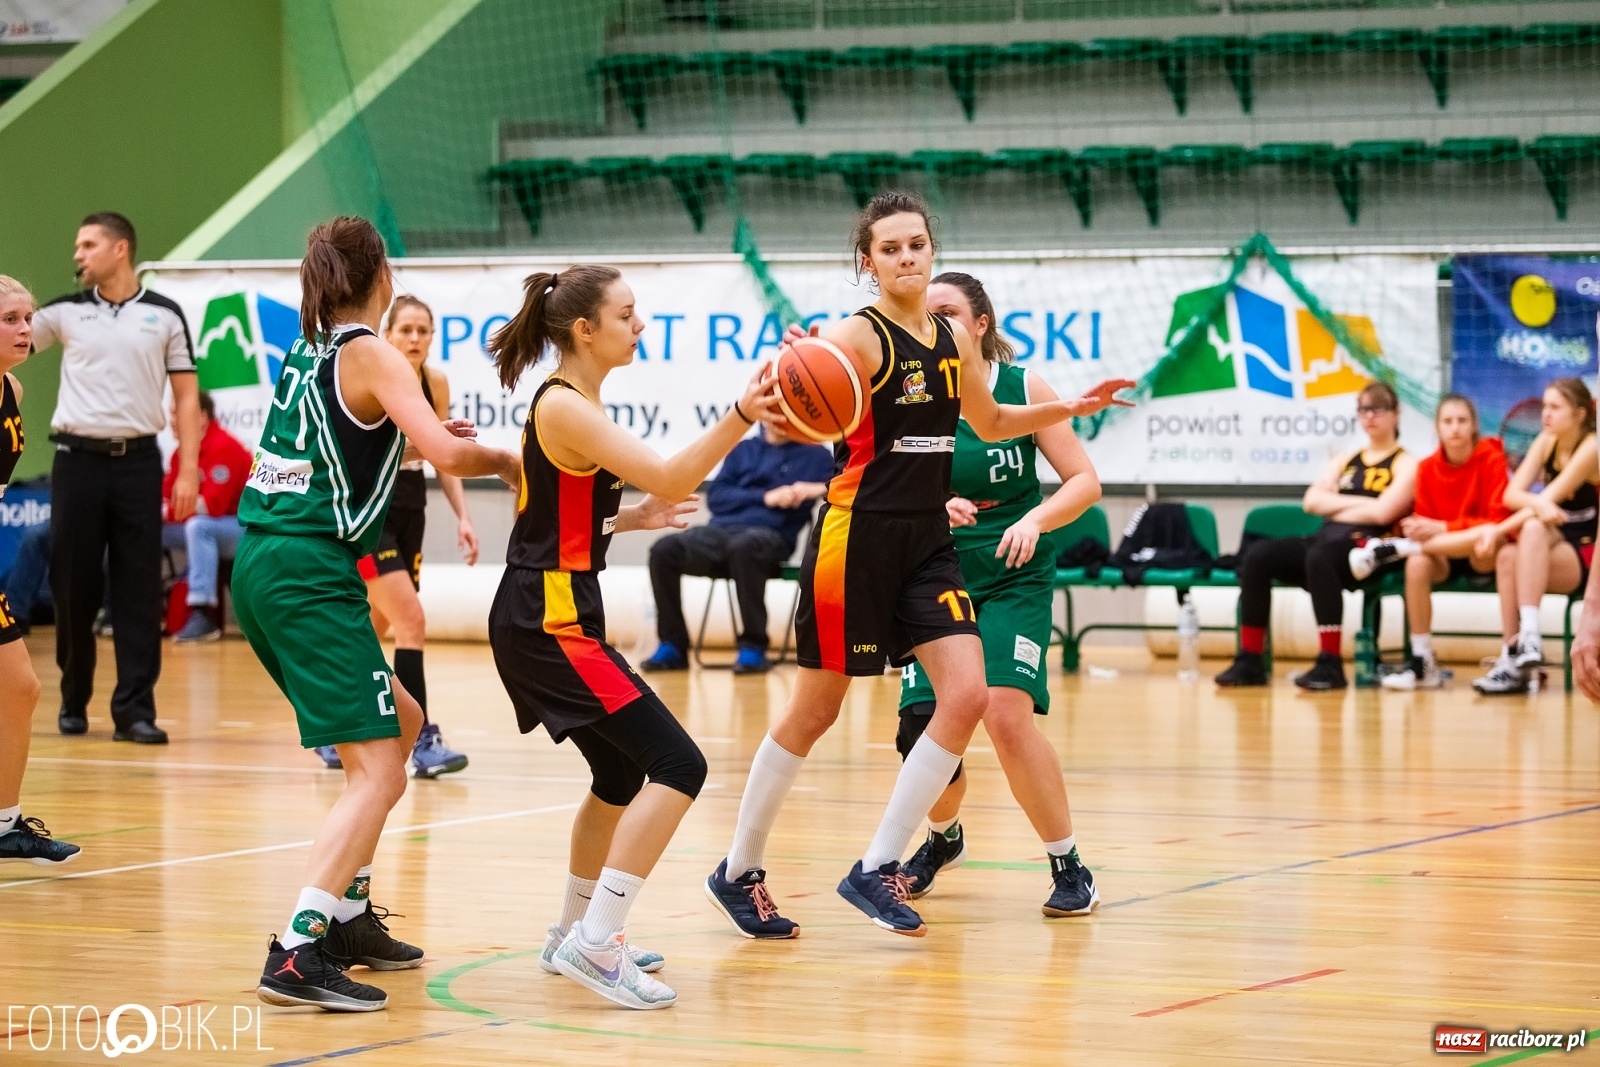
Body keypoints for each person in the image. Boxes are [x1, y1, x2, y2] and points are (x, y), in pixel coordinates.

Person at [705, 190, 1133, 940]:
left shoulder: (950, 338)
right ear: (867, 262)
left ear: (931, 249)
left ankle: (875, 865)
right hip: (856, 537)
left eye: (917, 244)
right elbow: (789, 405)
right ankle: (739, 869)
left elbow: (991, 421)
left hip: (927, 544)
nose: (907, 256)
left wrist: (1068, 406)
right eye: (891, 247)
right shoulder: (855, 338)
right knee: (816, 710)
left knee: (969, 695)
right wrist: (783, 387)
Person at [239, 217, 519, 1013]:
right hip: (307, 569)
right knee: (381, 769)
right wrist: (507, 458)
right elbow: (452, 452)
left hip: (269, 562)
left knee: (402, 722)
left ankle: (349, 914)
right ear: (379, 275)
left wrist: (421, 438)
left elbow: (352, 441)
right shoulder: (371, 350)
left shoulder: (316, 345)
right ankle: (296, 947)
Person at [484, 263, 780, 1010]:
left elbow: (549, 519)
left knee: (618, 778)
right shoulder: (567, 407)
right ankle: (596, 942)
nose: (639, 324)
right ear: (584, 330)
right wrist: (741, 411)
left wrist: (625, 519)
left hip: (548, 608)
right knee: (680, 763)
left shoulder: (574, 401)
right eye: (627, 313)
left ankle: (572, 930)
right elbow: (676, 476)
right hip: (547, 620)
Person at [894, 271, 1104, 915]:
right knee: (919, 735)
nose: (936, 324)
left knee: (1004, 713)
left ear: (981, 323)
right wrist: (929, 502)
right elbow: (875, 482)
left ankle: (1068, 864)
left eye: (949, 312)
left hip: (1015, 570)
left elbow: (1083, 482)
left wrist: (1034, 518)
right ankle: (942, 837)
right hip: (936, 571)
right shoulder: (911, 393)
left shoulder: (1021, 387)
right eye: (926, 316)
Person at [32, 212, 201, 743]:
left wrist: (188, 470)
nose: (78, 254)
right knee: (73, 585)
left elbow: (187, 395)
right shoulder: (62, 313)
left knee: (136, 587)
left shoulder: (166, 315)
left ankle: (134, 711)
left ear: (120, 248)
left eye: (88, 244)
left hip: (138, 463)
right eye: (77, 246)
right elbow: (7, 346)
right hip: (75, 463)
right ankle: (73, 698)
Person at [314, 294, 477, 778]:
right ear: (387, 334)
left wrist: (464, 515)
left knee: (379, 625)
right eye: (405, 329)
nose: (414, 338)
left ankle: (335, 728)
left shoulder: (436, 381)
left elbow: (444, 454)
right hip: (373, 513)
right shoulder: (375, 371)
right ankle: (423, 739)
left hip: (412, 510)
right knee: (412, 621)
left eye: (423, 330)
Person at [1215, 381, 1417, 691]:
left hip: (1366, 548)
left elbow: (1384, 514)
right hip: (1324, 539)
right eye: (1364, 409)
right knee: (1258, 555)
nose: (1370, 416)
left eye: (1378, 409)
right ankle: (1250, 659)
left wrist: (1335, 505)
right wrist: (1367, 502)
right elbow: (1311, 502)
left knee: (1320, 558)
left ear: (1396, 414)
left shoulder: (1406, 463)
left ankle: (1330, 662)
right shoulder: (1346, 460)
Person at [640, 421, 831, 674]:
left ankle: (753, 646)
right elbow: (717, 498)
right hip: (720, 533)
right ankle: (672, 645)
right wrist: (766, 497)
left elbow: (845, 487)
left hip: (770, 537)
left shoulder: (816, 454)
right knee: (664, 550)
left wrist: (815, 489)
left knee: (745, 548)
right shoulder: (742, 449)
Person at [0, 275, 80, 864]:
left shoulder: (14, 391)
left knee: (19, 688)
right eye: (11, 319)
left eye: (28, 317)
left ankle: (3, 825)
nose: (26, 329)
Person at [1353, 395, 1509, 690]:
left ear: (1474, 425)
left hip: (1482, 555)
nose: (1455, 429)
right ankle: (1422, 660)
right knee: (1417, 563)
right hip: (1440, 555)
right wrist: (1416, 528)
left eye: (1462, 421)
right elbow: (1424, 521)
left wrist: (1442, 527)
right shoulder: (1426, 468)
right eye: (1447, 421)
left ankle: (1511, 655)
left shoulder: (1492, 460)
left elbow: (1497, 521)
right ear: (1437, 427)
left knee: (1487, 540)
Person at [1470, 378, 1598, 695]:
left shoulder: (1592, 446)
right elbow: (1511, 495)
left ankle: (1527, 641)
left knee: (1530, 527)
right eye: (1544, 406)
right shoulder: (1546, 441)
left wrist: (1497, 530)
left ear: (1580, 414)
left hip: (1587, 551)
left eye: (1555, 407)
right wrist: (1539, 503)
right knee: (1508, 554)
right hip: (1551, 540)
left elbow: (1552, 496)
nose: (1546, 414)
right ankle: (1515, 654)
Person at [163, 391, 252, 643]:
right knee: (143, 528)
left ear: (201, 417)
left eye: (176, 412)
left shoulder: (225, 447)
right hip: (212, 526)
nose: (171, 420)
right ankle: (130, 611)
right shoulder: (180, 452)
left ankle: (202, 615)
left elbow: (211, 506)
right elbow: (164, 498)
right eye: (170, 413)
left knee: (198, 526)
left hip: (244, 529)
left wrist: (170, 509)